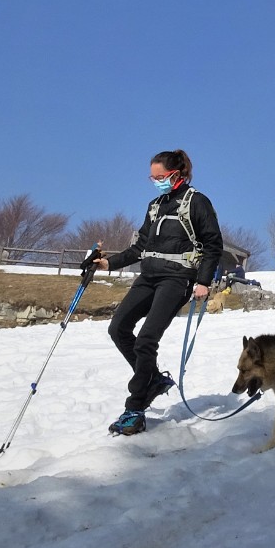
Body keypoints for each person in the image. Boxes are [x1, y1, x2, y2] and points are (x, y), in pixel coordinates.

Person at [95, 149, 222, 437]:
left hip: (177, 280)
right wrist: (108, 263)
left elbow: (213, 245)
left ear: (177, 174)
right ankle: (151, 378)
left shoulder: (197, 202)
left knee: (146, 340)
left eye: (160, 177)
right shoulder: (155, 206)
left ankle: (135, 409)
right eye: (152, 178)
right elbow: (139, 247)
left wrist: (203, 281)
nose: (156, 182)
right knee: (118, 329)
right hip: (148, 276)